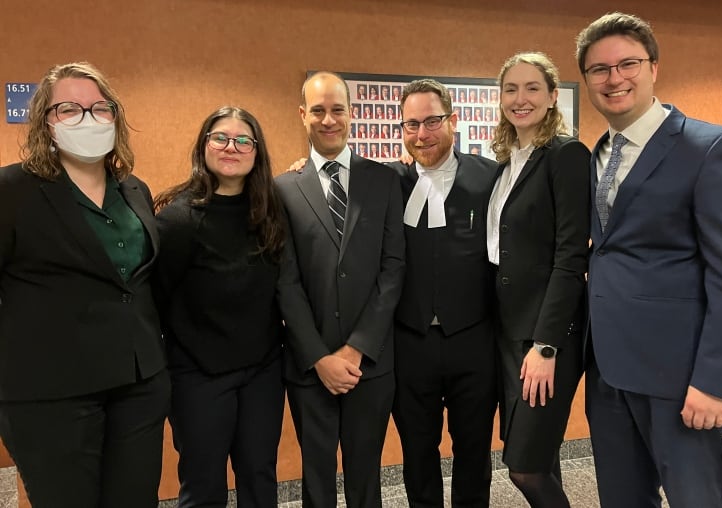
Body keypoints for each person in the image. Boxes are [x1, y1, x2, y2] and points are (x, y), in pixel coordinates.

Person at [575, 12, 722, 508]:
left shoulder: (711, 148)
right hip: (610, 372)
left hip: (681, 377)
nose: (614, 78)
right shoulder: (598, 152)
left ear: (654, 68)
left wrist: (715, 382)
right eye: (599, 69)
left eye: (628, 64)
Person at [0, 62, 169, 508]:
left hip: (138, 384)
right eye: (70, 109)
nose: (88, 118)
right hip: (52, 393)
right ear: (45, 122)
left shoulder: (134, 189)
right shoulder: (12, 190)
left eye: (100, 108)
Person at [275, 71, 405, 507]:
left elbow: (393, 269)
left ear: (352, 114)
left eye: (337, 109)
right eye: (318, 110)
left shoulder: (384, 180)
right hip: (310, 366)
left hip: (370, 363)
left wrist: (355, 350)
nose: (328, 119)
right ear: (302, 115)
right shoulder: (283, 189)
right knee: (316, 479)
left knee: (366, 476)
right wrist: (319, 357)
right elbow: (286, 281)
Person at [154, 106, 286, 507]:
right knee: (204, 483)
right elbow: (155, 304)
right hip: (198, 376)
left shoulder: (270, 212)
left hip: (262, 371)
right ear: (204, 146)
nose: (232, 146)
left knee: (260, 477)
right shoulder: (178, 220)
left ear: (257, 151)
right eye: (221, 138)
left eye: (243, 139)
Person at [389, 79, 498, 508]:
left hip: (473, 339)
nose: (421, 134)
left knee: (473, 450)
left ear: (452, 120)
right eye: (411, 124)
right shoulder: (389, 182)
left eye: (431, 121)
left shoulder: (490, 176)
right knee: (417, 451)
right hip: (409, 342)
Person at [489, 52, 590, 508]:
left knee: (525, 466)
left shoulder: (565, 155)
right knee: (541, 457)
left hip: (546, 337)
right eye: (511, 89)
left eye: (532, 88)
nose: (520, 98)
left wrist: (546, 344)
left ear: (552, 96)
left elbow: (570, 257)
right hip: (507, 335)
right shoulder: (507, 160)